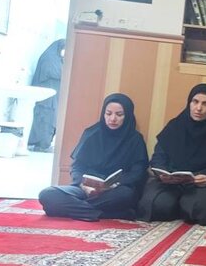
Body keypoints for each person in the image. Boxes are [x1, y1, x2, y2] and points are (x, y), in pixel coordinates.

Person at [38, 93, 148, 221]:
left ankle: (68, 209)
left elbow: (137, 173)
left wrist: (113, 185)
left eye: (119, 115)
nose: (112, 119)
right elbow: (77, 167)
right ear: (103, 113)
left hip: (113, 192)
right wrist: (84, 186)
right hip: (85, 190)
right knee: (47, 194)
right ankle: (107, 214)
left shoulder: (135, 139)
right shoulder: (91, 134)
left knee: (126, 195)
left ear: (127, 116)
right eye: (108, 113)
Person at [137, 84, 206, 223]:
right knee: (157, 205)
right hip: (171, 182)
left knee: (201, 208)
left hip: (202, 183)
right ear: (189, 102)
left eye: (205, 104)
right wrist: (163, 174)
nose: (198, 108)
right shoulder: (175, 125)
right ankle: (175, 205)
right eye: (195, 102)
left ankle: (183, 206)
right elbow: (158, 157)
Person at [27, 39, 66, 152]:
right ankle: (42, 145)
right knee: (45, 121)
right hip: (46, 98)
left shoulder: (57, 58)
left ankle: (44, 144)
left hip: (52, 98)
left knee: (51, 120)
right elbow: (58, 73)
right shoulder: (49, 58)